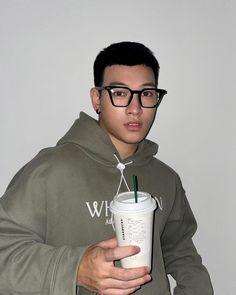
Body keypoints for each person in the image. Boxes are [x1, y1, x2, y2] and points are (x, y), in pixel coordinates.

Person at [0, 41, 213, 295]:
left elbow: (181, 251)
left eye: (146, 94)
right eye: (120, 93)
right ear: (97, 98)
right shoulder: (49, 171)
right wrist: (77, 268)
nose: (135, 109)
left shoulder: (166, 179)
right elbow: (5, 252)